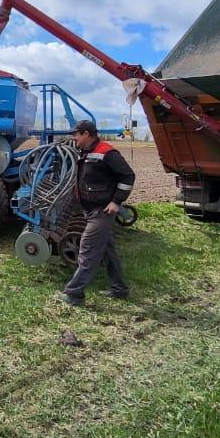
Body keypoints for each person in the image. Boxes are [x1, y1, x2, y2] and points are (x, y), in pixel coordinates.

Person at [56, 120, 135, 305]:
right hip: (90, 210)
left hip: (102, 211)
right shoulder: (86, 153)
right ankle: (119, 289)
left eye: (76, 134)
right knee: (107, 250)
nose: (74, 138)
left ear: (86, 134)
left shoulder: (106, 152)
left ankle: (74, 294)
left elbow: (128, 176)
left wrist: (116, 201)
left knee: (88, 249)